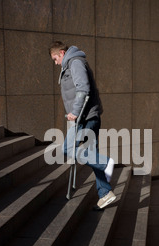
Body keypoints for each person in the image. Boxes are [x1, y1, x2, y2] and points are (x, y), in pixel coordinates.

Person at [49, 41, 116, 210]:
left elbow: (83, 88)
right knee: (91, 154)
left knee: (68, 148)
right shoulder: (71, 64)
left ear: (62, 53)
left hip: (85, 117)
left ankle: (105, 163)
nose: (55, 62)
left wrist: (75, 112)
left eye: (55, 58)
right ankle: (105, 193)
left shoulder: (75, 62)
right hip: (87, 117)